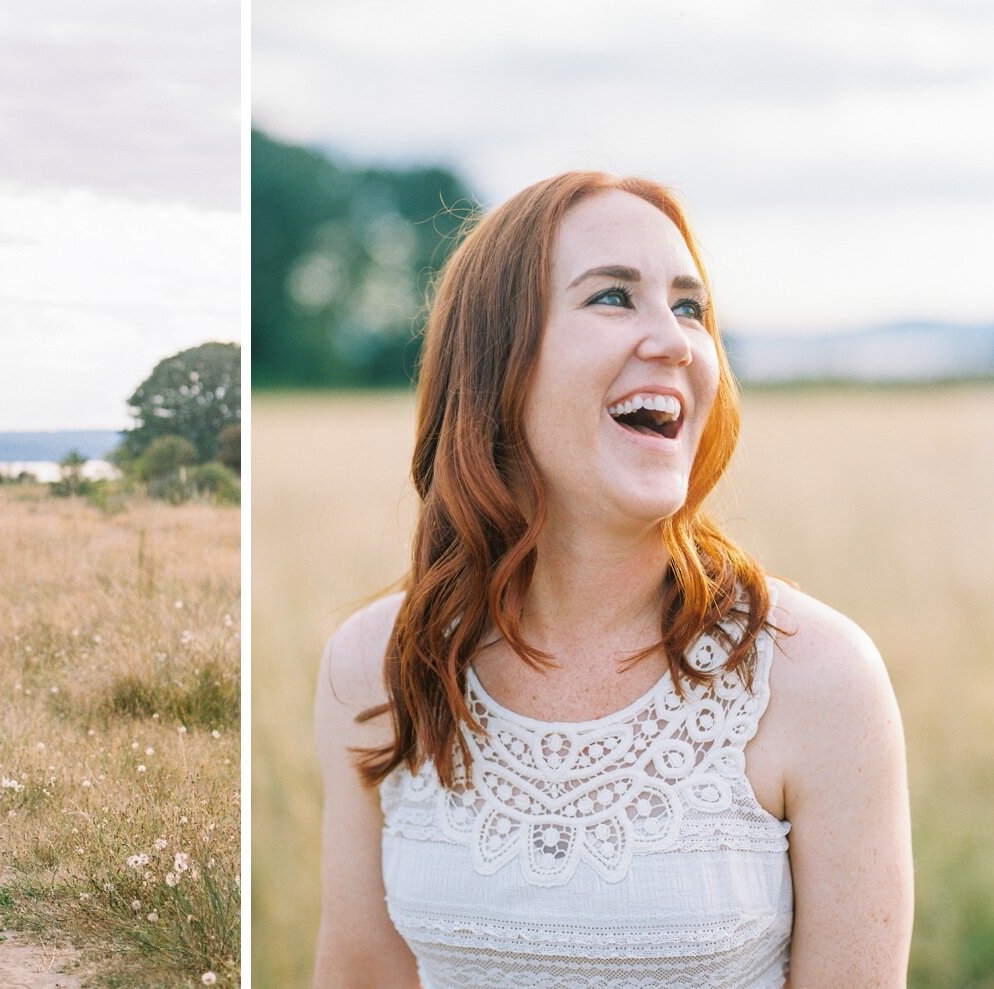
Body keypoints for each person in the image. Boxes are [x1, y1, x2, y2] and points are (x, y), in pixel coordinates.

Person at [313, 173, 914, 988]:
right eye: (612, 298)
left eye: (690, 307)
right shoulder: (374, 665)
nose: (674, 340)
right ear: (497, 363)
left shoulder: (819, 678)